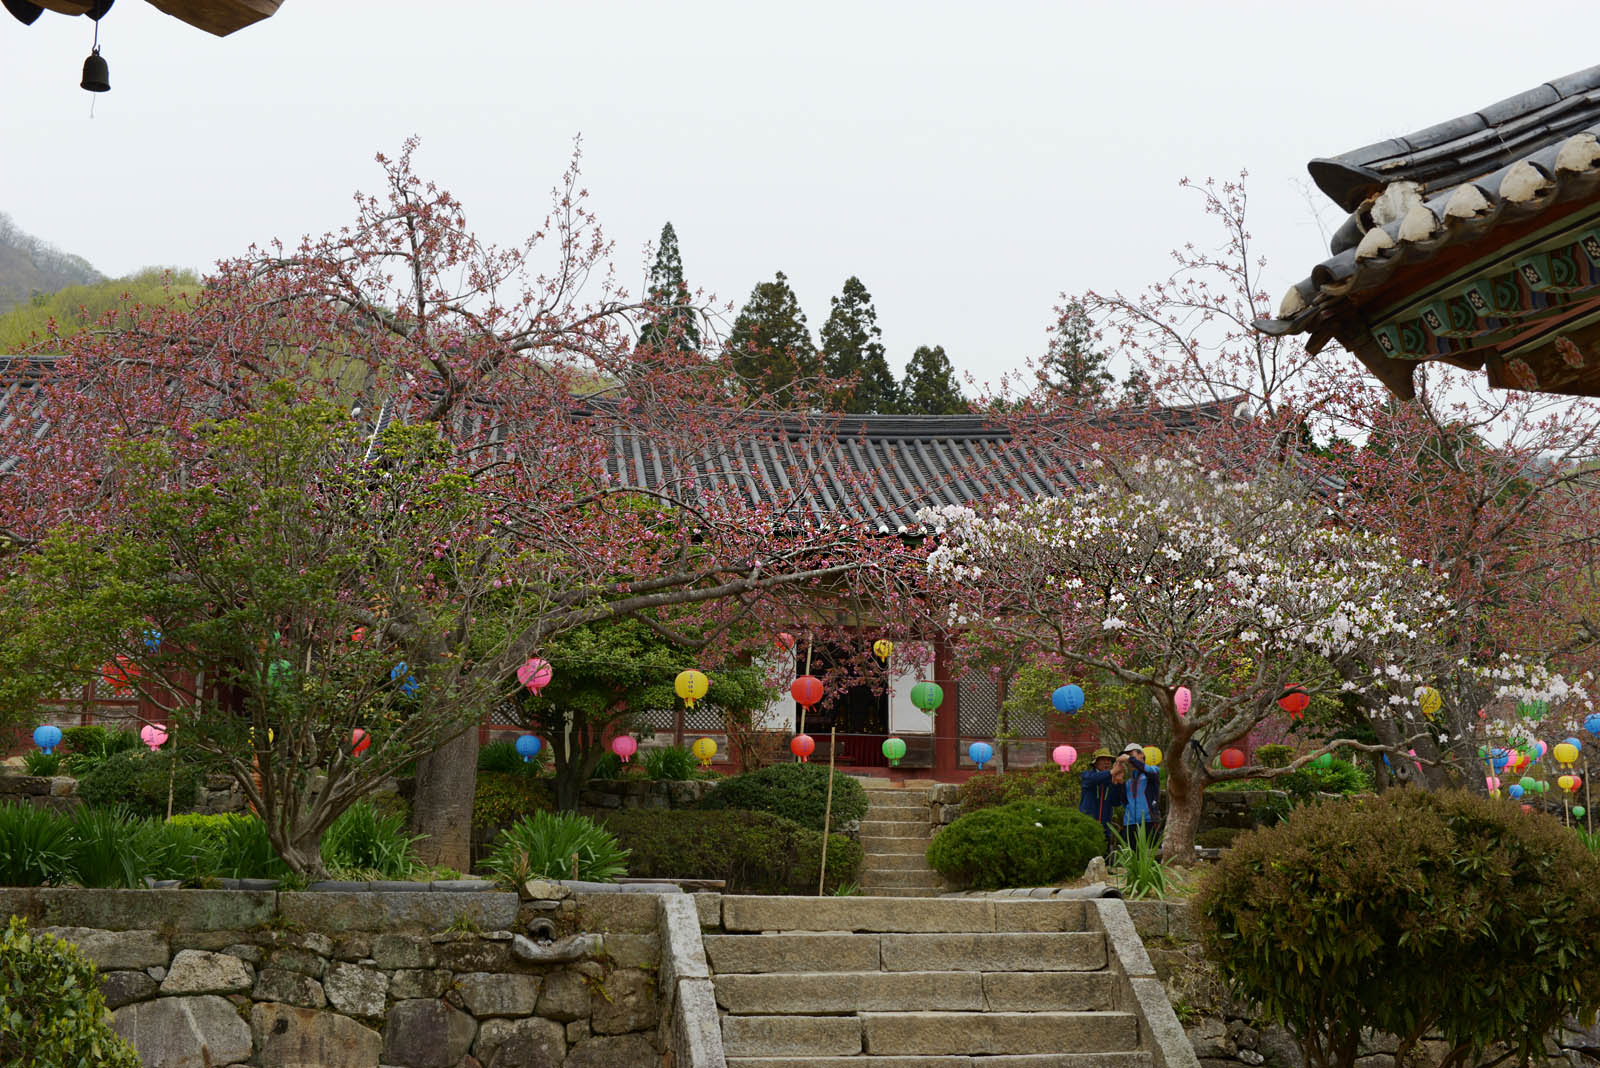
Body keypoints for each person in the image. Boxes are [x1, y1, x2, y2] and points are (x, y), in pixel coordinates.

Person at [1078, 747, 1125, 860]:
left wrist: (1117, 783)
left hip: (1105, 825)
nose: (1107, 762)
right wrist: (1112, 772)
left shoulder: (1110, 780)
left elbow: (1116, 802)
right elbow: (1092, 780)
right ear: (1095, 762)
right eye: (1103, 759)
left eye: (1109, 760)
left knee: (1104, 856)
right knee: (1088, 855)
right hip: (1088, 824)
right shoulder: (1087, 775)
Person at [1116, 742, 1161, 848]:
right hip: (1130, 823)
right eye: (1127, 756)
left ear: (1142, 755)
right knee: (1130, 857)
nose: (1129, 759)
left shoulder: (1153, 771)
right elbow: (1124, 802)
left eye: (1131, 755)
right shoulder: (1129, 782)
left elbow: (1149, 771)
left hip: (1148, 821)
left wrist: (1130, 759)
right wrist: (1120, 783)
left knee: (1152, 857)